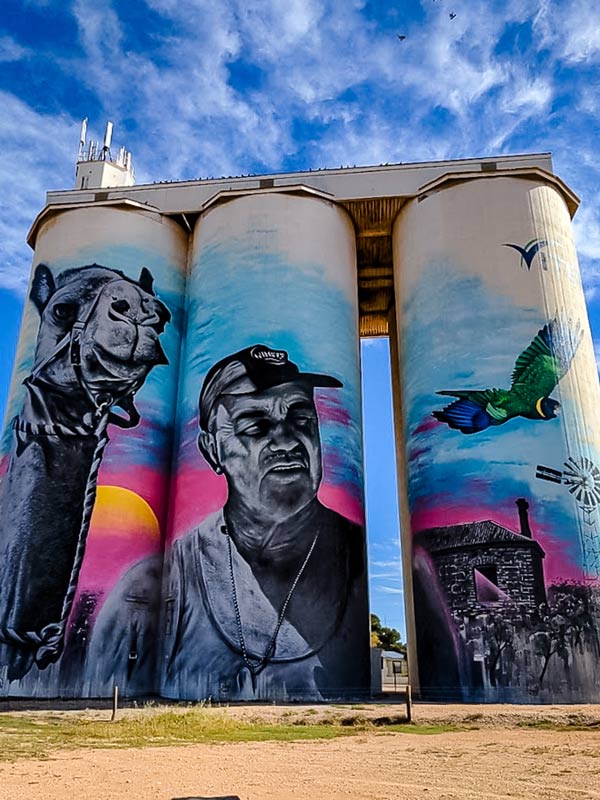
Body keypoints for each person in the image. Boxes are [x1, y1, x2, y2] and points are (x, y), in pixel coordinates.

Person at [87, 345, 370, 701]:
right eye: (255, 426)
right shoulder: (154, 586)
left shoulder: (360, 567)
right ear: (212, 450)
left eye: (301, 420)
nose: (286, 441)